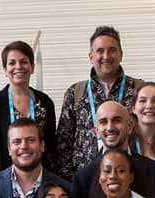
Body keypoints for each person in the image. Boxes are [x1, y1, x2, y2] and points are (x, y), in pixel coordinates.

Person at [55, 25, 142, 180]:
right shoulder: (76, 92)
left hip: (129, 177)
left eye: (112, 50)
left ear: (121, 55)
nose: (106, 56)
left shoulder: (138, 90)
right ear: (91, 57)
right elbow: (63, 145)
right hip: (87, 181)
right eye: (100, 51)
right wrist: (70, 183)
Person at [71, 101, 155, 198]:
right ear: (96, 131)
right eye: (103, 122)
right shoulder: (83, 178)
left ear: (129, 127)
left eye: (117, 120)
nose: (110, 127)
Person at [0, 40, 57, 171]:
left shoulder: (45, 102)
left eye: (24, 62)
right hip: (4, 178)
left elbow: (50, 146)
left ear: (32, 67)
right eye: (12, 63)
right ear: (5, 69)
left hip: (40, 176)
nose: (18, 67)